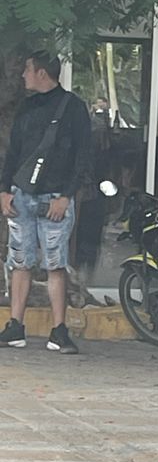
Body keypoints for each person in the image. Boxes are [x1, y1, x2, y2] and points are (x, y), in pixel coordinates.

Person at [0, 52, 92, 354]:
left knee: (55, 264)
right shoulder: (26, 107)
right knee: (20, 261)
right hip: (22, 195)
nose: (23, 75)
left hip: (55, 198)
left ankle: (59, 329)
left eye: (27, 69)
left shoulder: (73, 108)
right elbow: (14, 152)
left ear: (41, 73)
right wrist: (5, 190)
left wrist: (66, 196)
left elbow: (82, 156)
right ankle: (15, 325)